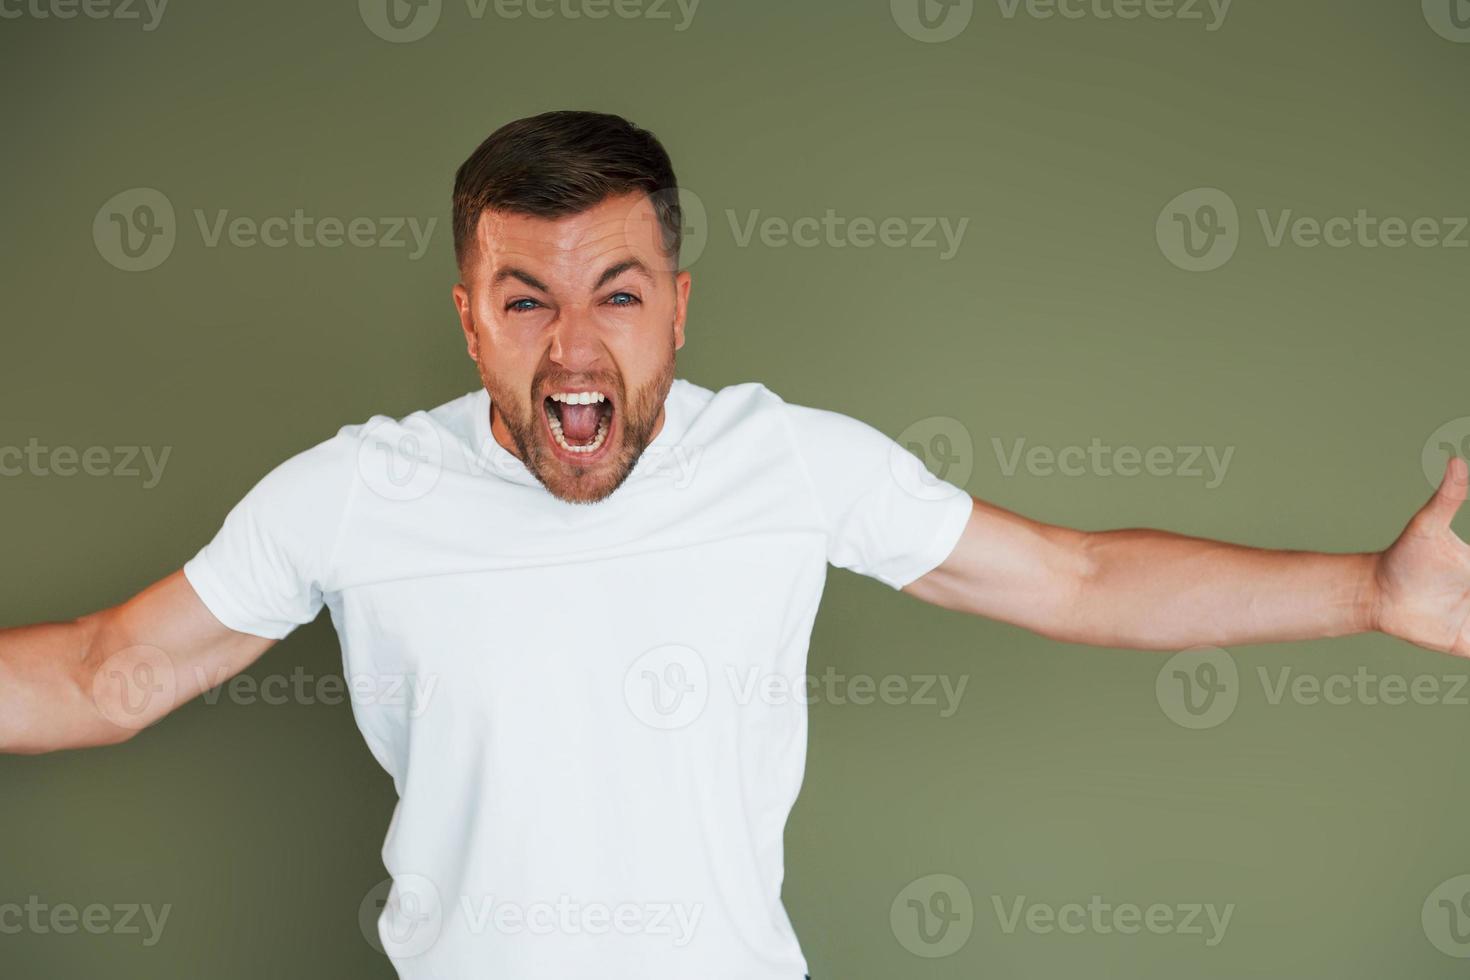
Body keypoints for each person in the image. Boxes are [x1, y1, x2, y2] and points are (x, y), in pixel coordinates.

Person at [2, 109, 1466, 980]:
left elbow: (1073, 578)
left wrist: (1368, 592)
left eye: (617, 294)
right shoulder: (353, 492)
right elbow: (103, 676)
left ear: (678, 309)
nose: (573, 346)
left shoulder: (783, 461)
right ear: (466, 318)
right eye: (524, 302)